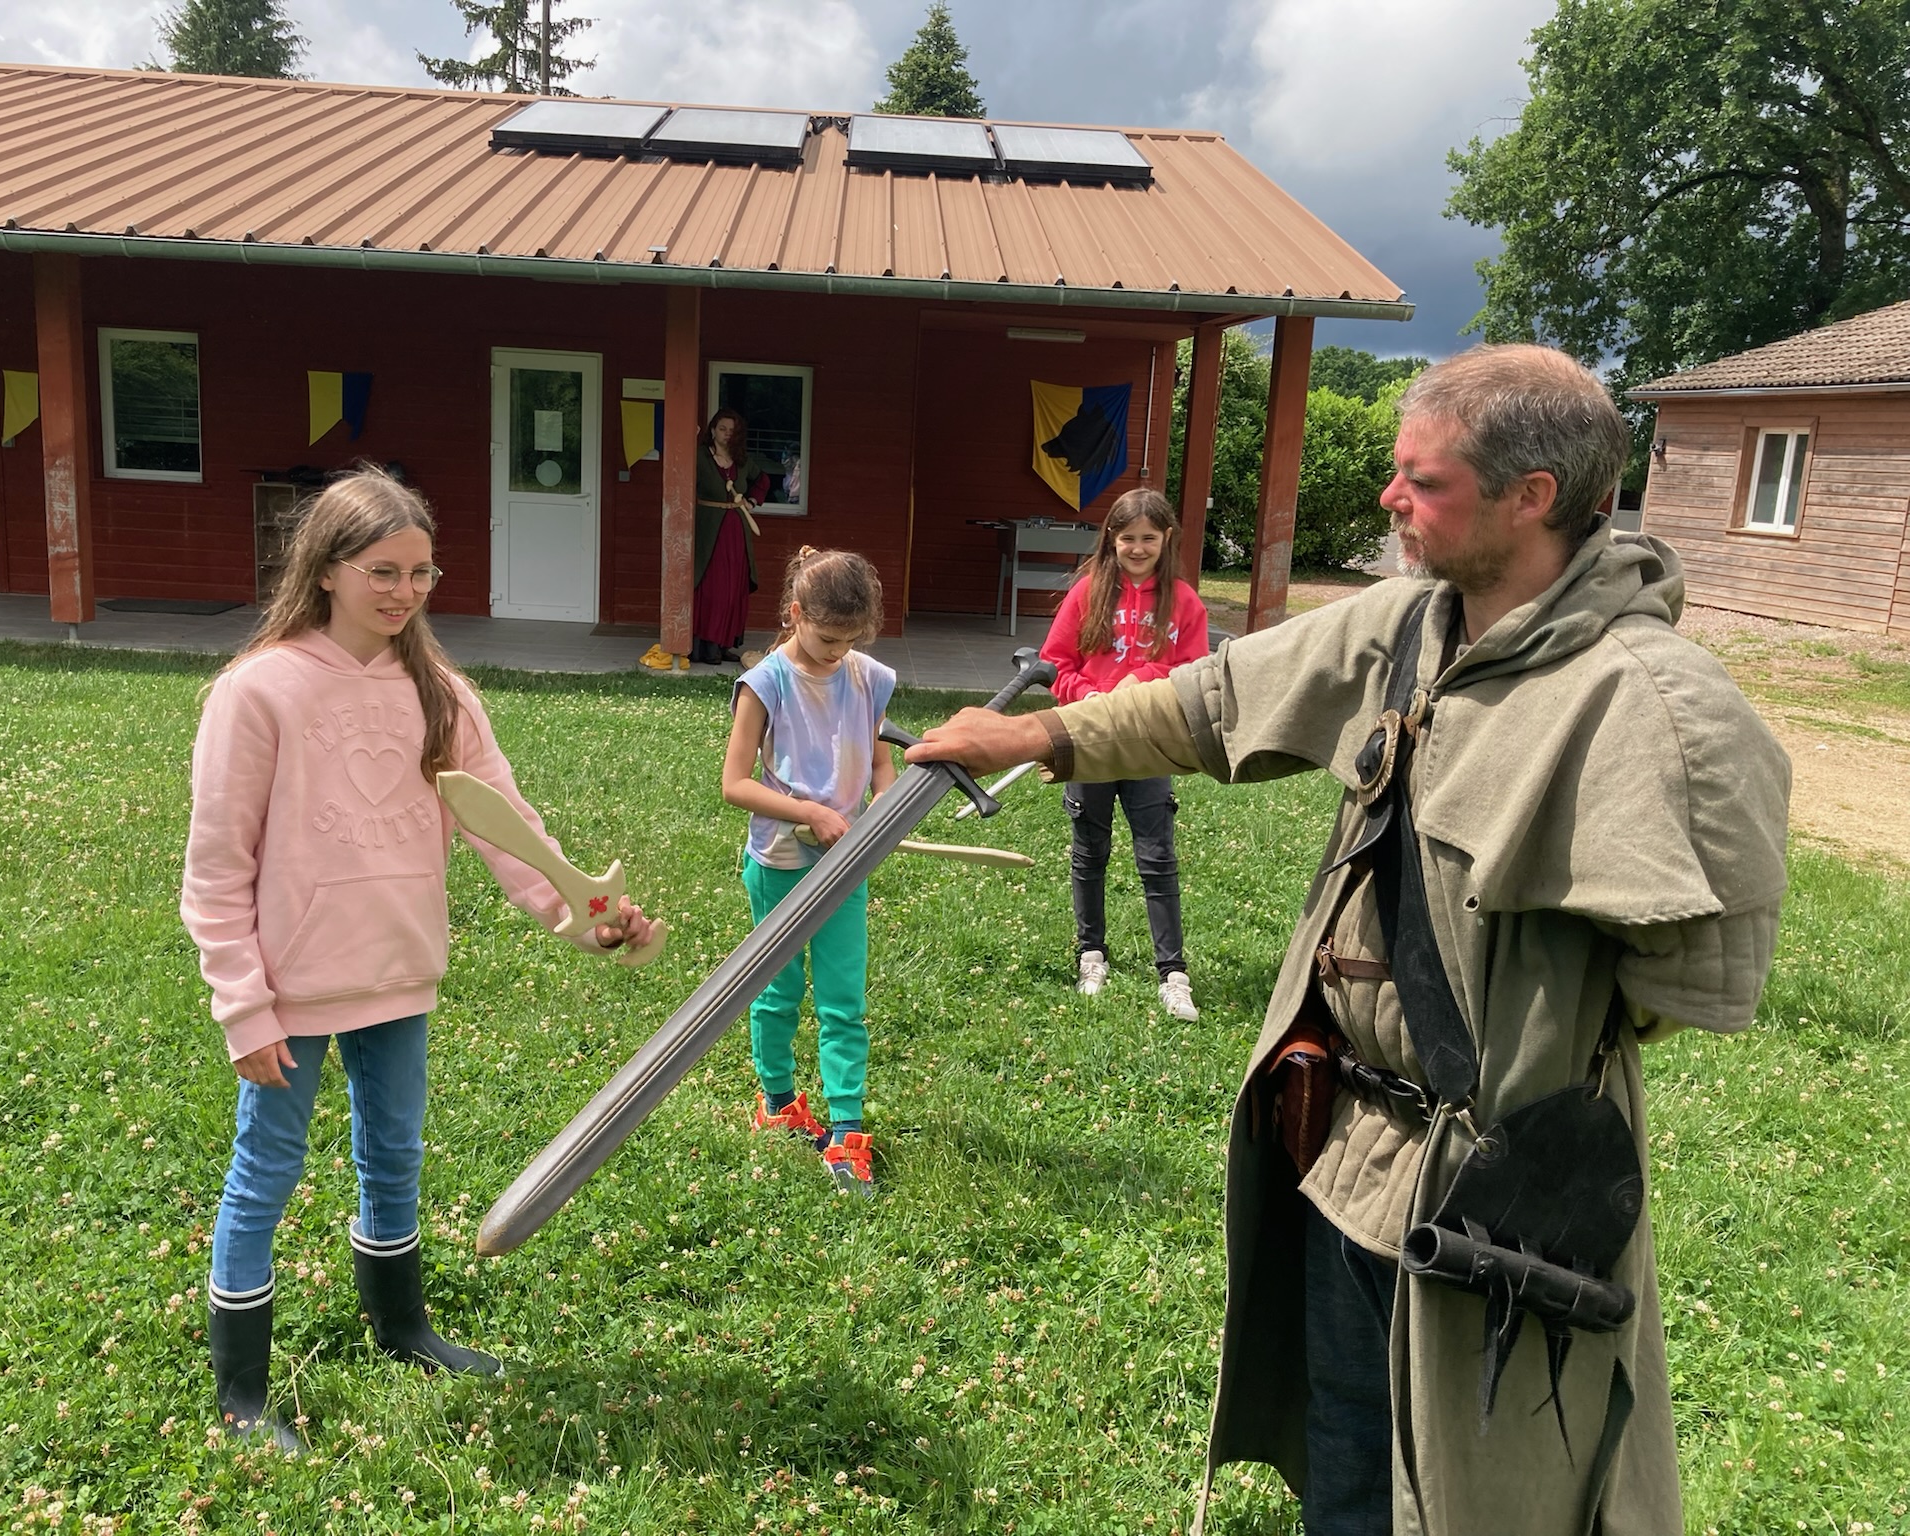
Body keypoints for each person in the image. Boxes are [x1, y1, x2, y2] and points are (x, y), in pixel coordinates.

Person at [910, 345, 1790, 1535]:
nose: (1388, 498)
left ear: (1529, 497)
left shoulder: (1655, 705)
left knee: (1483, 1500)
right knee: (1345, 1469)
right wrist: (1033, 739)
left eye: (1420, 481)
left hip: (1500, 1193)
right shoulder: (1405, 624)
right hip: (1339, 1146)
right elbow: (1206, 703)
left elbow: (1680, 985)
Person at [181, 469, 652, 1449]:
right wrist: (243, 1006)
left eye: (421, 573)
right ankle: (242, 1396)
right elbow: (217, 867)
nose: (405, 592)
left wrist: (585, 916)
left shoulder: (442, 694)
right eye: (383, 572)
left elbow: (507, 829)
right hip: (291, 991)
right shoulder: (257, 691)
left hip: (399, 974)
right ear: (325, 570)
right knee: (266, 1173)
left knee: (394, 1156)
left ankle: (402, 1328)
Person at [720, 547, 896, 1196]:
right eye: (827, 640)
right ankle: (777, 1101)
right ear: (795, 614)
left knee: (844, 1003)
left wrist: (883, 809)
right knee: (778, 991)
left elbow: (881, 764)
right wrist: (809, 812)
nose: (836, 654)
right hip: (781, 862)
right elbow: (735, 783)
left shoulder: (868, 678)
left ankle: (847, 1128)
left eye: (849, 642)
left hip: (845, 867)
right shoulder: (766, 683)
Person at [1040, 487, 1211, 1020]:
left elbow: (1194, 670)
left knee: (1157, 857)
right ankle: (1091, 954)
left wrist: (1145, 679)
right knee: (1089, 852)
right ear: (1111, 539)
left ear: (1166, 539)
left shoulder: (1184, 601)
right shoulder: (1086, 594)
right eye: (1128, 538)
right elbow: (1054, 664)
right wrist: (1088, 696)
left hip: (1149, 745)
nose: (1138, 548)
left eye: (1149, 538)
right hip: (1090, 741)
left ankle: (1173, 974)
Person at [641, 407, 774, 672]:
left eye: (732, 430)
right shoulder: (699, 456)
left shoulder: (741, 459)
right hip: (708, 529)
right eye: (722, 429)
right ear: (713, 430)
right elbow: (678, 471)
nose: (727, 434)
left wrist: (751, 501)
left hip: (736, 531)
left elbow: (762, 480)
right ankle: (705, 646)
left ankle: (724, 644)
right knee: (712, 588)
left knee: (733, 589)